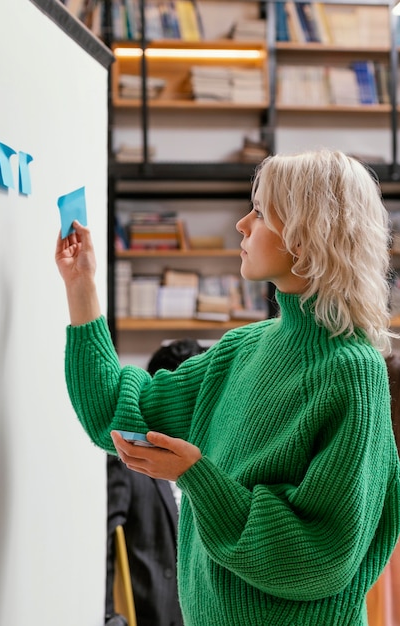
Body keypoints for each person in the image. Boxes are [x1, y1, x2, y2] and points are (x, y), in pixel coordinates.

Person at [56, 149, 400, 626]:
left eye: (259, 212)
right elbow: (117, 410)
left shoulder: (350, 371)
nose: (242, 224)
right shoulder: (243, 348)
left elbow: (322, 557)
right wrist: (81, 286)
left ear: (306, 235)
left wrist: (198, 477)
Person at [105, 339, 206, 626]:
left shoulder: (212, 461)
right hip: (151, 614)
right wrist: (111, 615)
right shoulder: (126, 461)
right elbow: (107, 538)